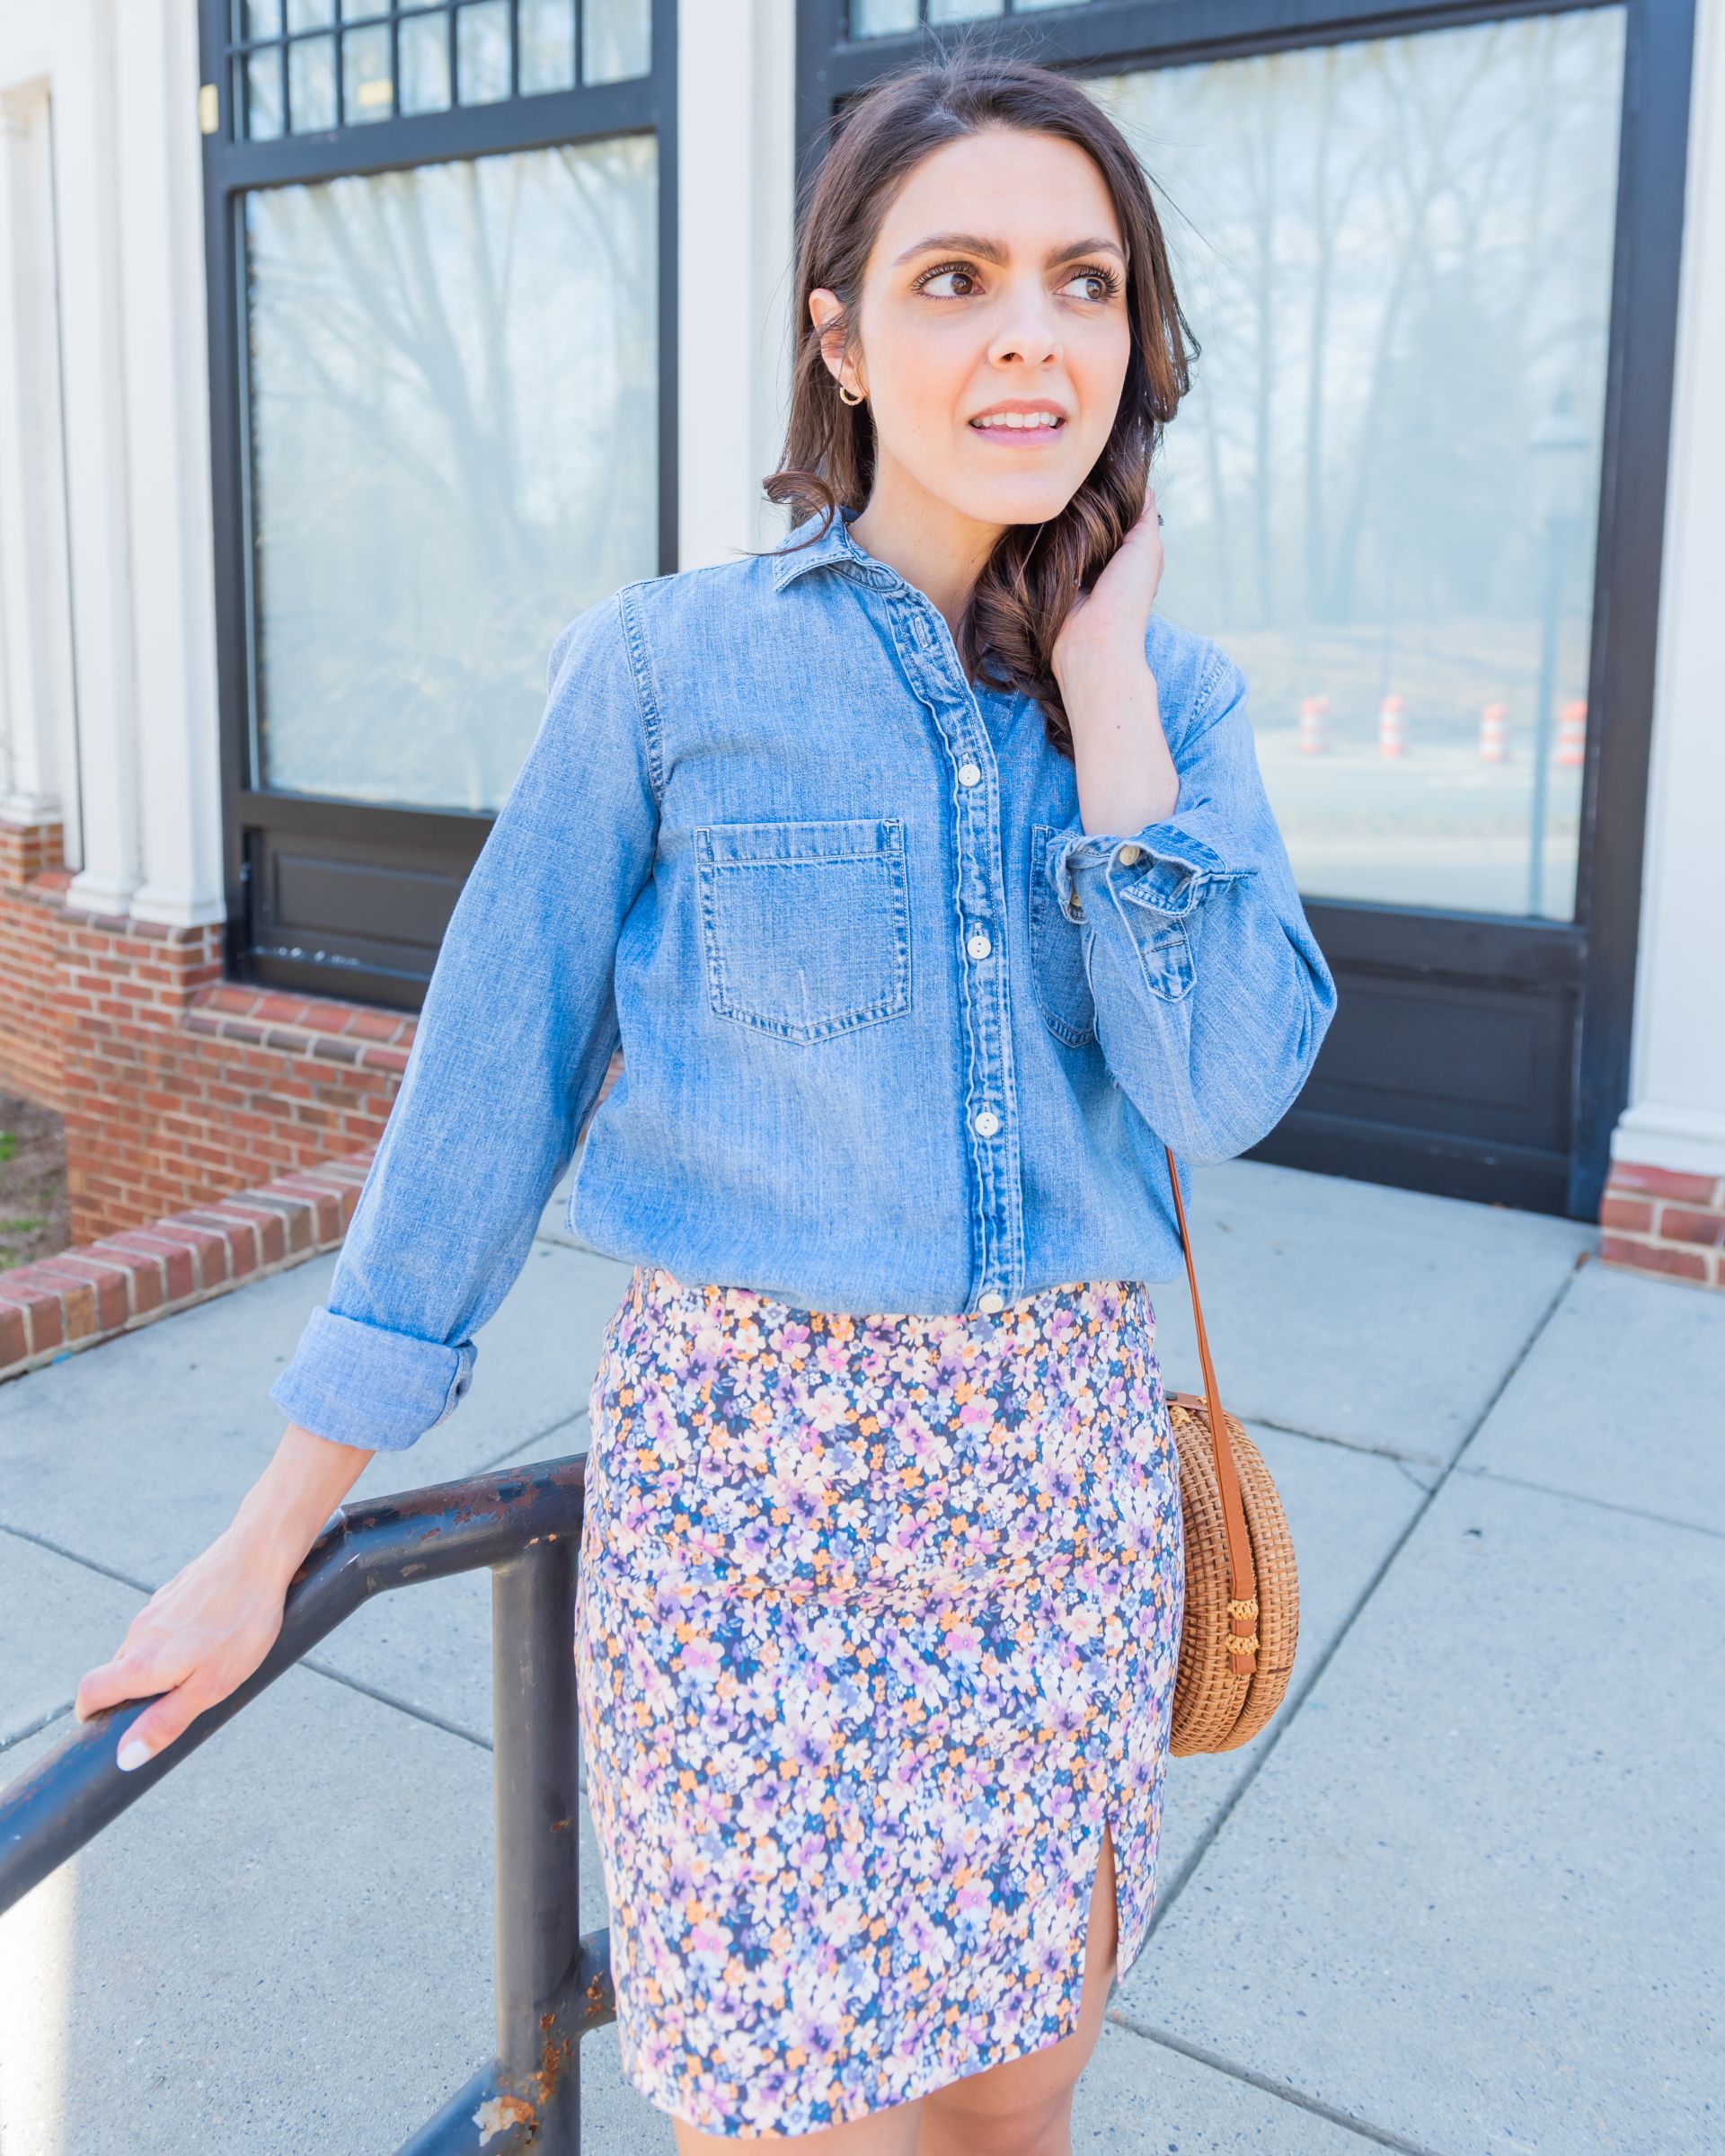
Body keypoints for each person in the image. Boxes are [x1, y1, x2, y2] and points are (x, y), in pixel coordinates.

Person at [73, 47, 1336, 2156]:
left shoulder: (1171, 700)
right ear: (838, 336)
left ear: (1137, 333)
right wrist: (267, 1532)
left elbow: (1219, 1085)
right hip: (758, 1517)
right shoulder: (665, 674)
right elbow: (485, 1097)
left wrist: (1108, 697)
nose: (1033, 329)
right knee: (780, 2123)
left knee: (1009, 2115)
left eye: (1084, 280)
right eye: (956, 278)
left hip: (1066, 1498)